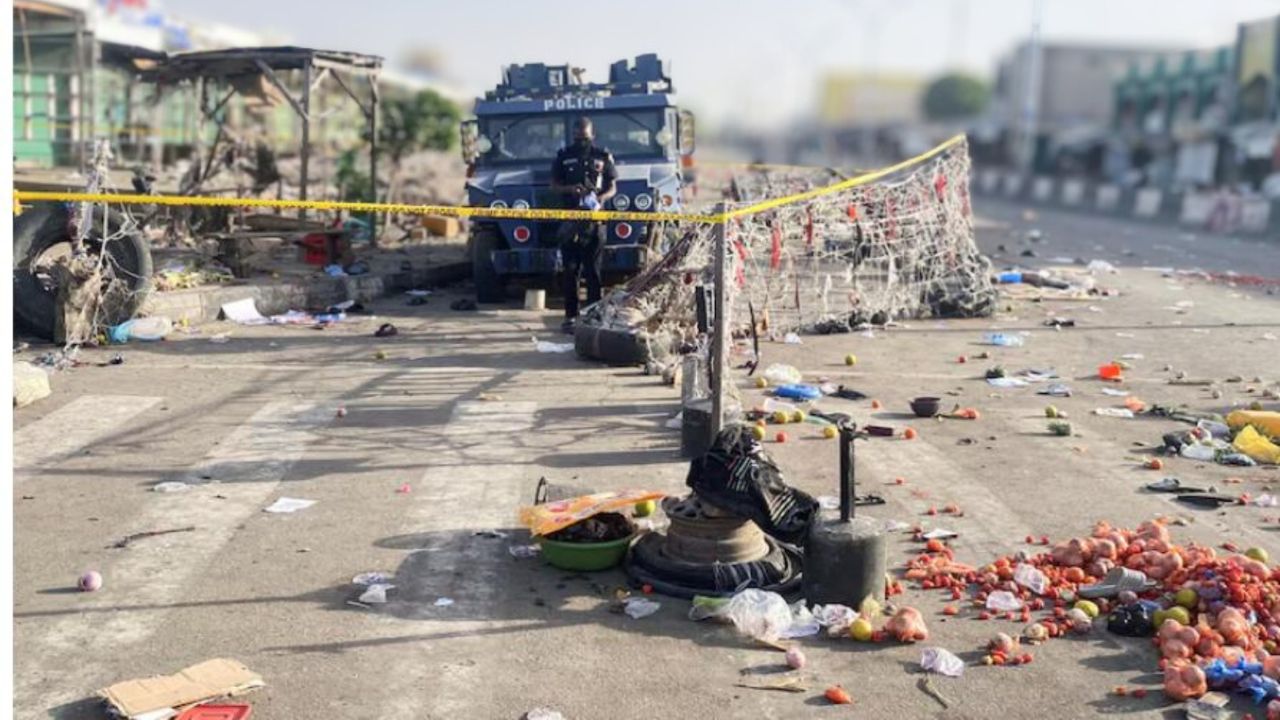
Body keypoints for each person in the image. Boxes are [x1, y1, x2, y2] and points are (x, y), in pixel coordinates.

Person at [549, 116, 617, 333]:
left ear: (592, 135)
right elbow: (554, 185)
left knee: (593, 271)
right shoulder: (563, 157)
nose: (581, 141)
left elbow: (613, 186)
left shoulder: (603, 156)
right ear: (573, 136)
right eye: (578, 137)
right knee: (570, 271)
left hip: (595, 222)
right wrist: (571, 190)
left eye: (585, 137)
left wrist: (601, 197)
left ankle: (593, 315)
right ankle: (570, 317)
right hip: (570, 220)